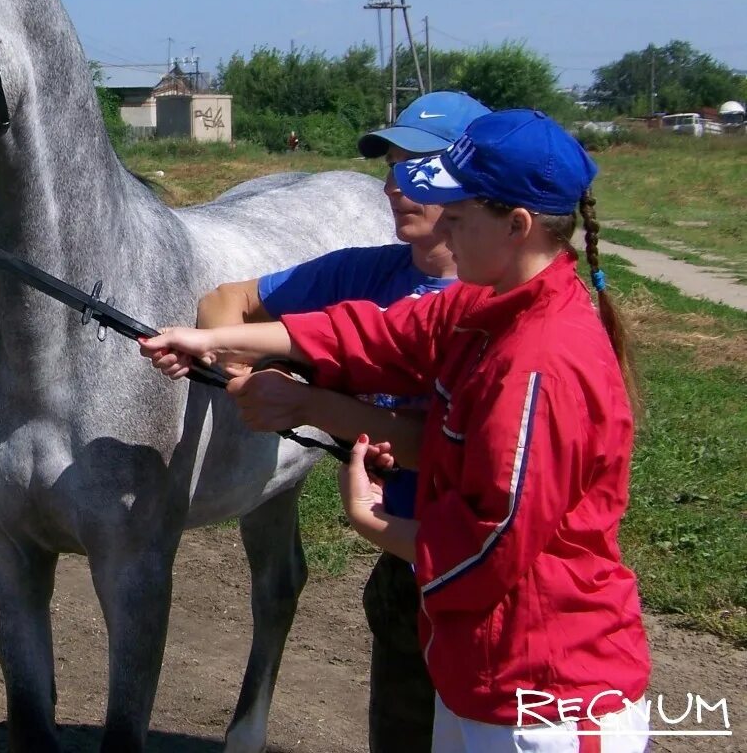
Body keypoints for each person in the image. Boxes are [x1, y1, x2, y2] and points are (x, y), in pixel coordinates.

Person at [142, 109, 651, 751]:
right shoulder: (484, 306)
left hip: (545, 696)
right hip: (483, 671)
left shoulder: (539, 363)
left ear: (517, 226)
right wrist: (215, 337)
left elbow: (490, 545)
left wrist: (373, 522)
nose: (443, 234)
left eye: (458, 218)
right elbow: (372, 333)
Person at [196, 90, 488, 753]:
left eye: (420, 165)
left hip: (486, 576)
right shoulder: (369, 271)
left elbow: (452, 451)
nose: (393, 184)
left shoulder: (490, 307)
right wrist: (245, 370)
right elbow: (226, 299)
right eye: (391, 163)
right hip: (405, 574)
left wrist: (305, 402)